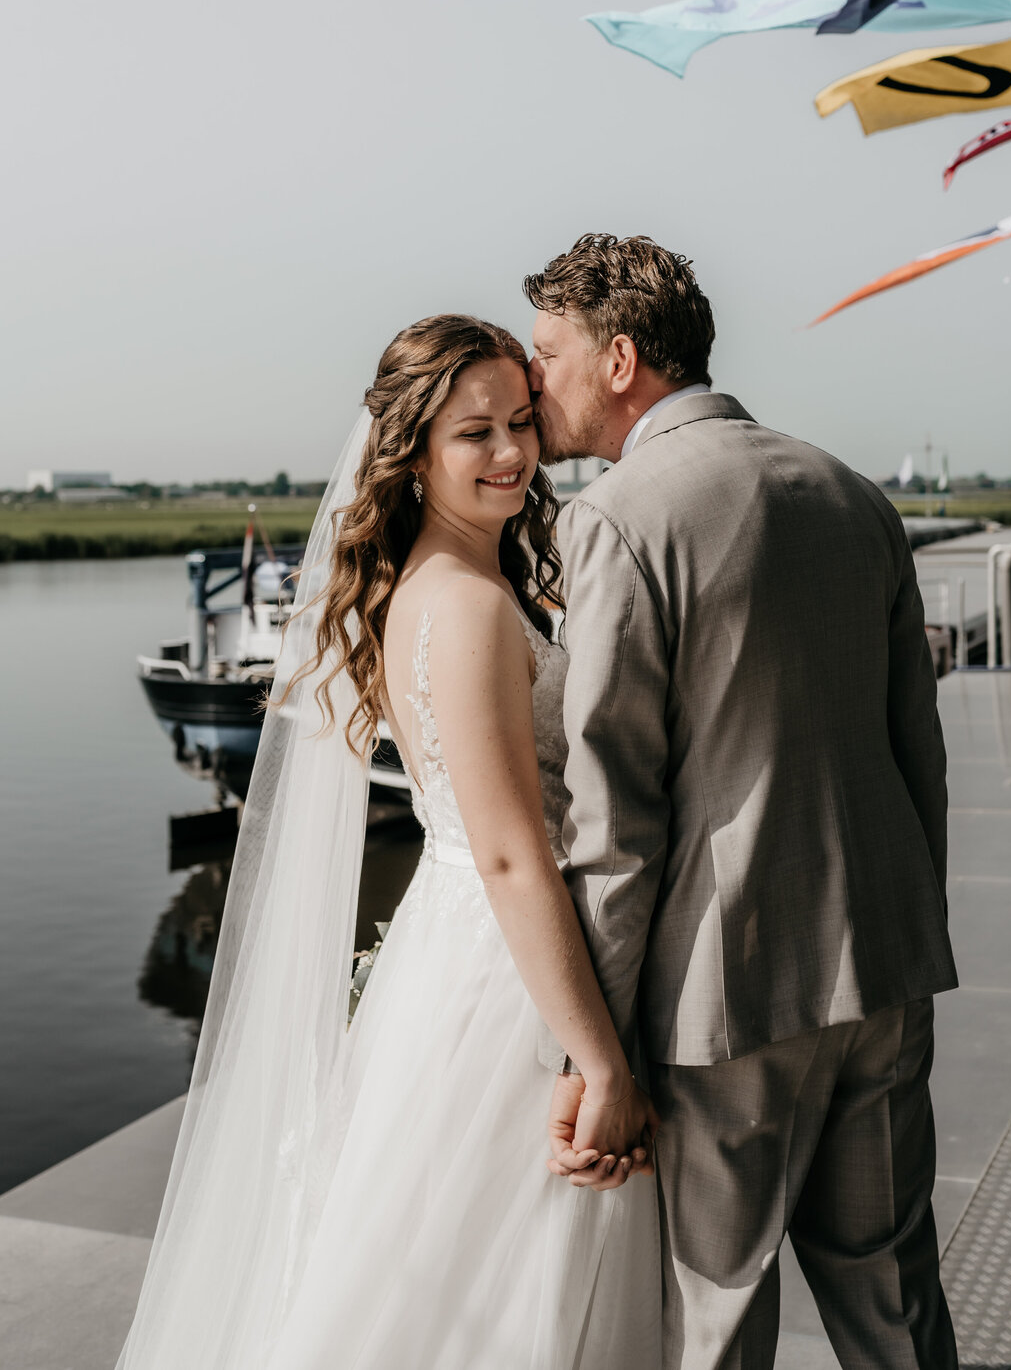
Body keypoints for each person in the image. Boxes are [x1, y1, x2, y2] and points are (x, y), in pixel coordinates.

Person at [116, 315, 660, 1370]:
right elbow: (509, 855)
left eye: (519, 422)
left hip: (456, 947)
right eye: (473, 435)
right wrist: (599, 1064)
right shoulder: (464, 607)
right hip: (500, 974)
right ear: (412, 453)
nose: (510, 452)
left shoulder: (447, 581)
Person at [526, 234, 960, 1370]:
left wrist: (597, 1051)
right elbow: (919, 749)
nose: (535, 382)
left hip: (725, 1000)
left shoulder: (617, 517)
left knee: (715, 1321)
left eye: (548, 352)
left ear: (619, 359)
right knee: (894, 1294)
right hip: (883, 962)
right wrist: (913, 930)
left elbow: (615, 822)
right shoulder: (851, 493)